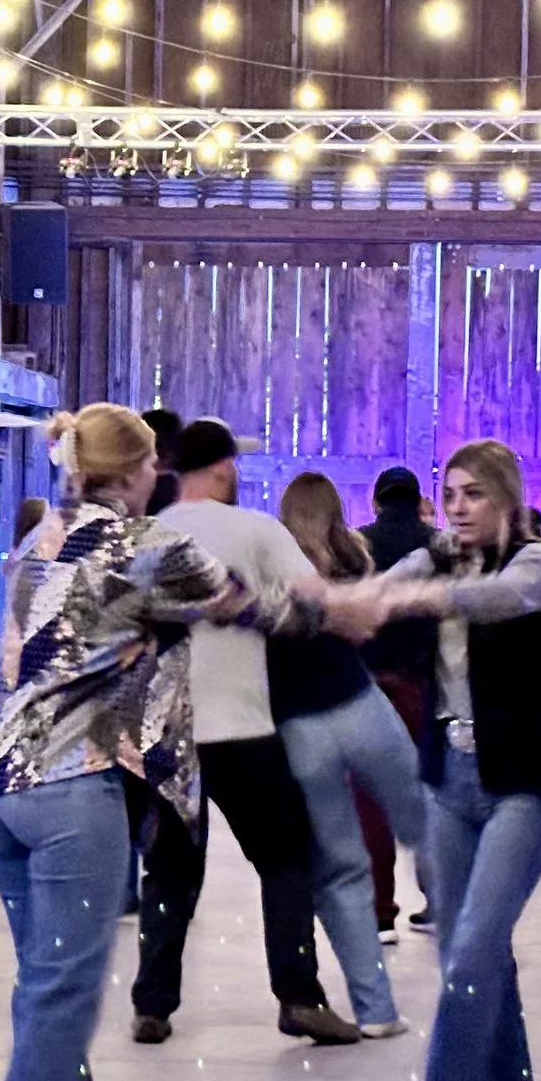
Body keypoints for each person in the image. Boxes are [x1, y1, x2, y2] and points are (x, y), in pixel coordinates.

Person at [0, 402, 318, 1081]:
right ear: (138, 471)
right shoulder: (148, 545)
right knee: (57, 1005)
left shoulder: (38, 539)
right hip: (71, 786)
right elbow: (264, 612)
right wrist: (354, 603)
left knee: (46, 996)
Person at [367, 439, 541, 1081]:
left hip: (522, 779)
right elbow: (386, 589)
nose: (457, 507)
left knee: (479, 940)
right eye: (449, 493)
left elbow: (507, 600)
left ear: (507, 498)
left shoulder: (536, 563)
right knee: (467, 948)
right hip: (448, 774)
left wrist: (426, 596)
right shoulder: (437, 559)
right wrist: (324, 602)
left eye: (473, 493)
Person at [138, 421, 362, 1047]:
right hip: (242, 726)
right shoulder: (258, 530)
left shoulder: (148, 535)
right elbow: (317, 602)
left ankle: (152, 1004)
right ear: (227, 466)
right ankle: (299, 997)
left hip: (168, 732)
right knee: (285, 860)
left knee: (169, 870)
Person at [271, 470, 422, 1036]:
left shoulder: (273, 563)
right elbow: (369, 627)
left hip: (295, 723)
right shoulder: (354, 553)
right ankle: (476, 949)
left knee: (340, 870)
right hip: (361, 702)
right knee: (425, 822)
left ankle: (376, 1010)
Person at [358, 466, 438, 936]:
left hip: (370, 682)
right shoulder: (439, 547)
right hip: (426, 684)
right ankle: (437, 903)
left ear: (376, 501)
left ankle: (380, 912)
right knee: (430, 796)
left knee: (370, 800)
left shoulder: (359, 543)